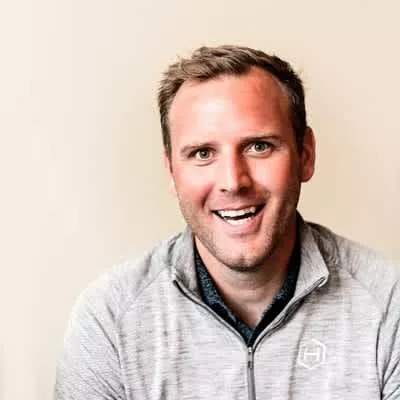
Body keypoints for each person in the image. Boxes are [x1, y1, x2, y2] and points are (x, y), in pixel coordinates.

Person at [54, 45, 400, 399]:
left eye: (259, 146)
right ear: (171, 171)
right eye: (202, 153)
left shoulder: (389, 304)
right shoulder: (110, 320)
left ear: (305, 155)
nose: (233, 182)